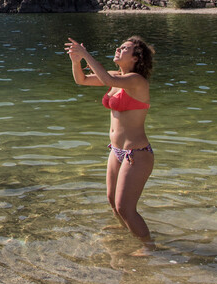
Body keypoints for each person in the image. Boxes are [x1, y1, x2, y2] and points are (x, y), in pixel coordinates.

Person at [65, 36, 156, 245]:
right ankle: (126, 231)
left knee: (125, 207)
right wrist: (76, 60)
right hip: (116, 150)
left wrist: (86, 54)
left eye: (125, 48)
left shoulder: (135, 81)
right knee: (112, 201)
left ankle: (148, 247)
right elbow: (82, 80)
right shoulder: (116, 76)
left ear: (136, 58)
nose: (118, 48)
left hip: (137, 154)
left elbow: (107, 80)